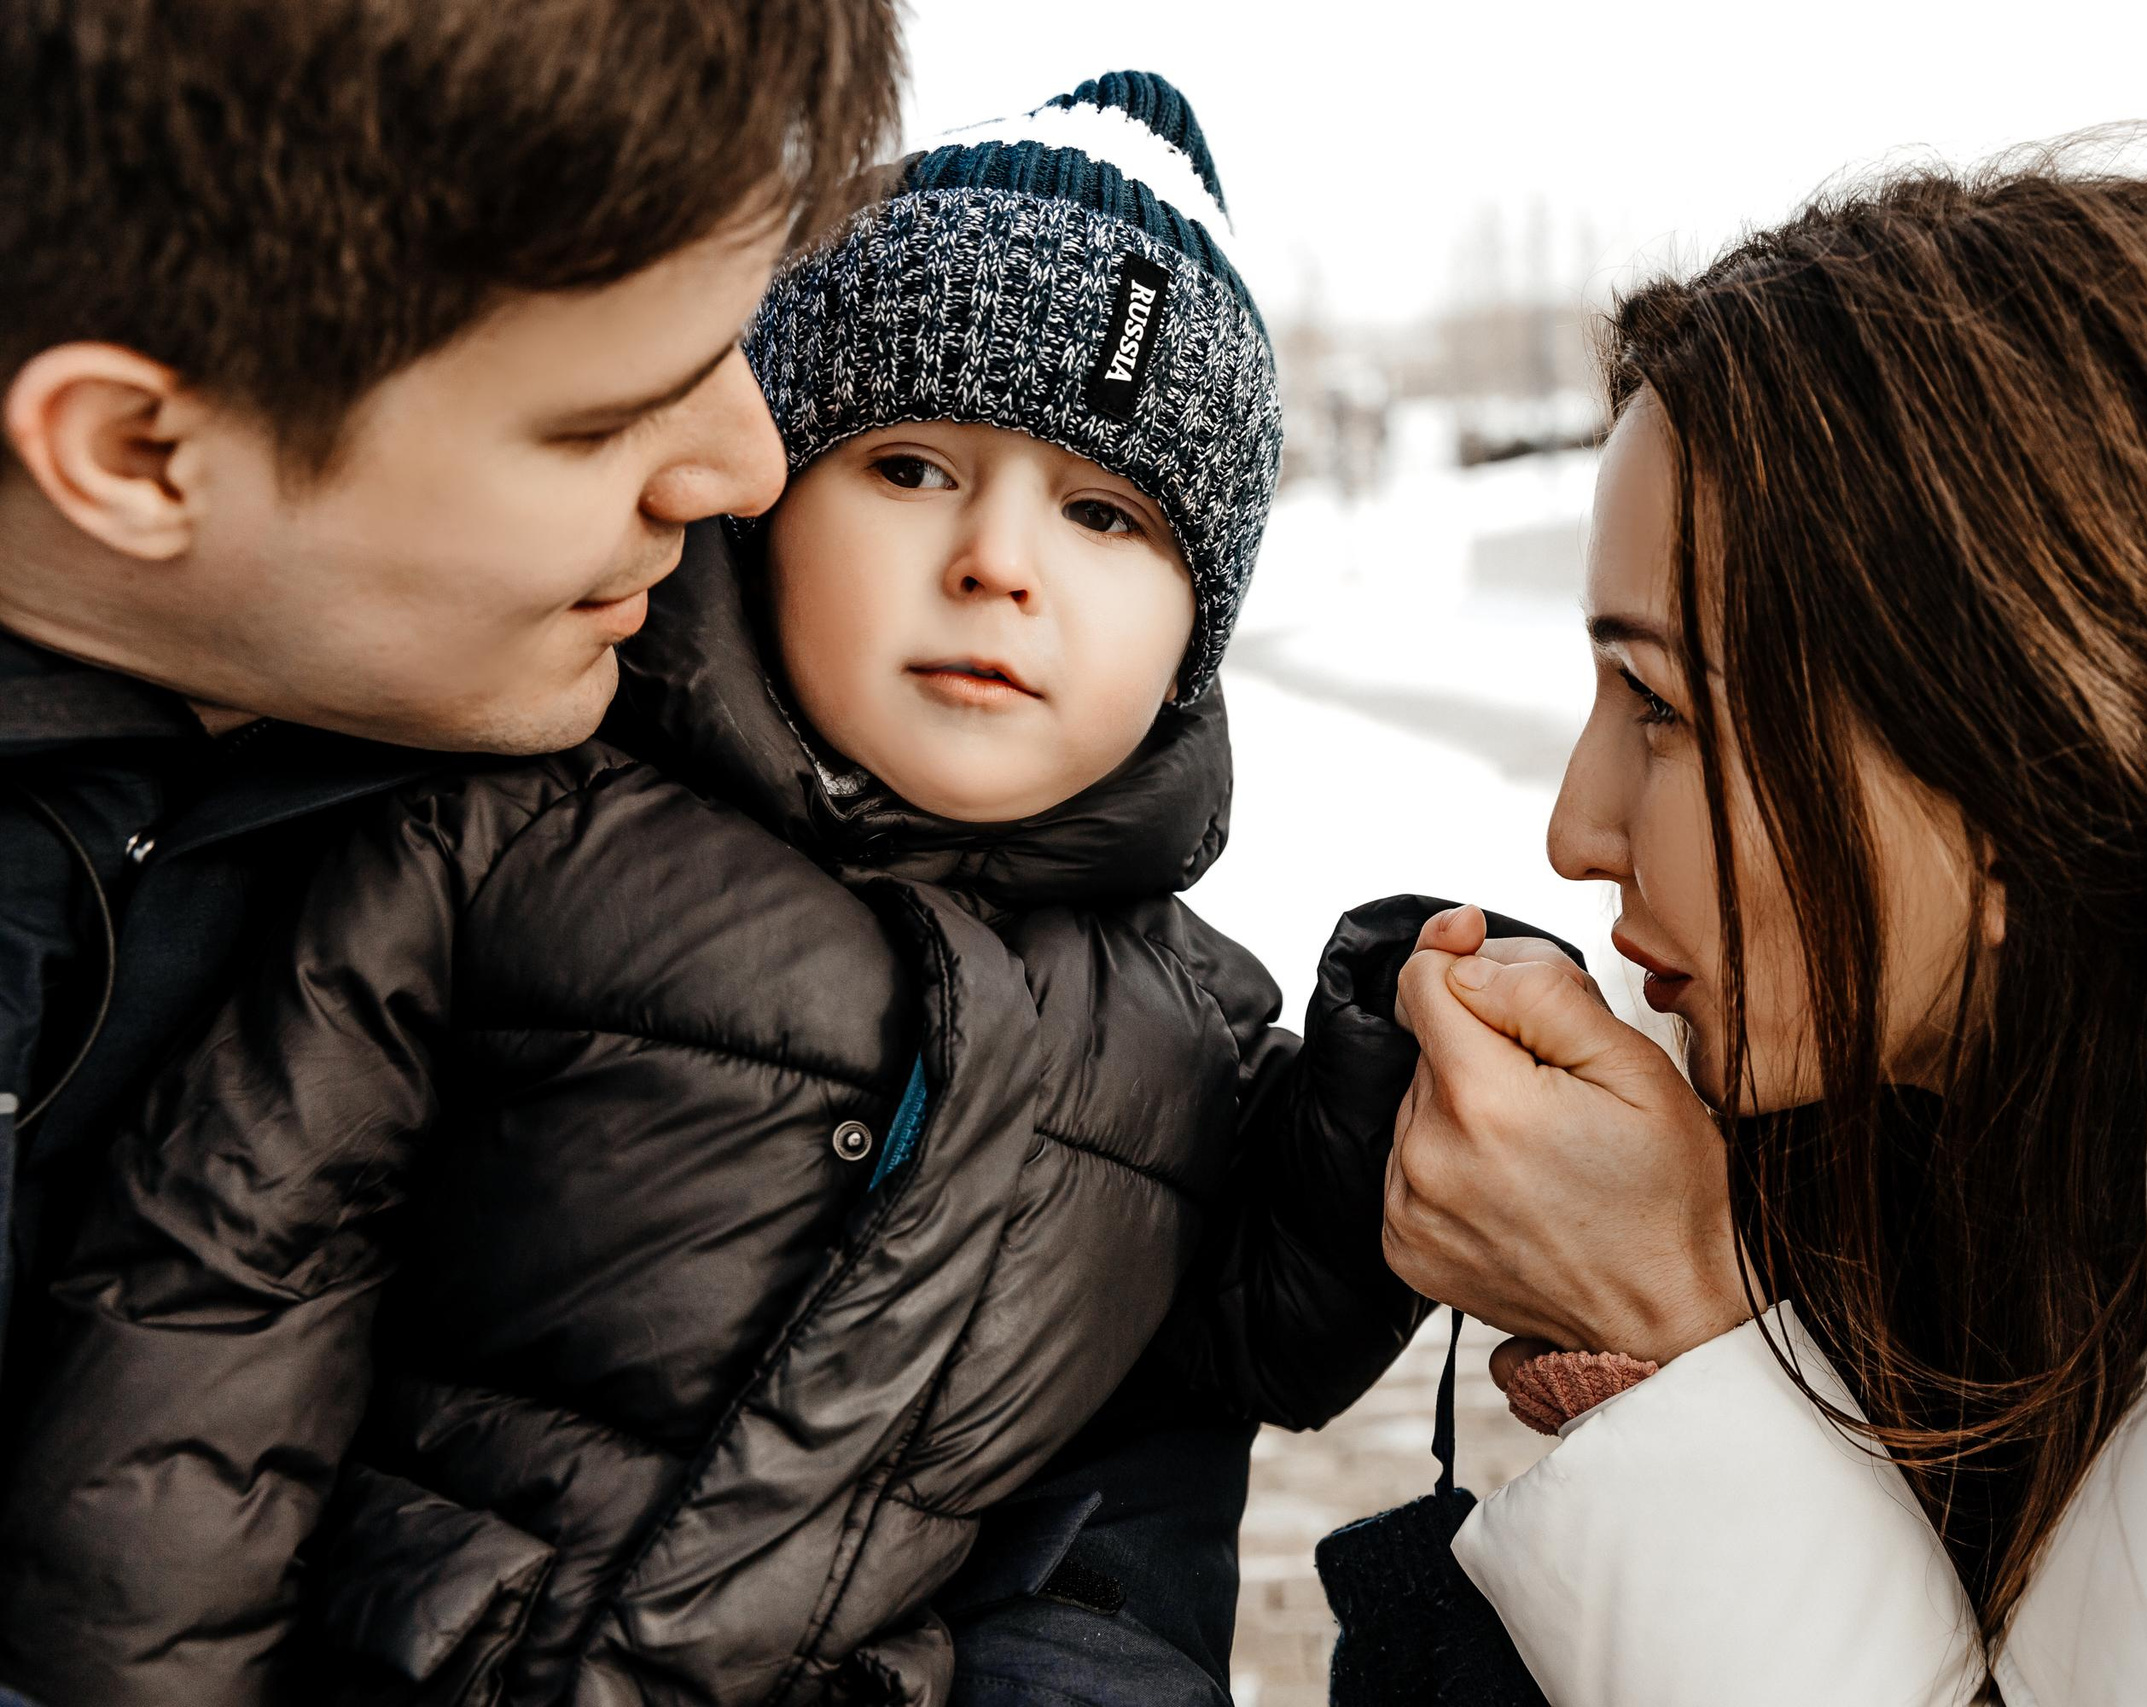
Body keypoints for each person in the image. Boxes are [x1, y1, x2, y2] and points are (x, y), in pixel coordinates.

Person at [0, 73, 1478, 1707]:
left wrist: (1390, 1071)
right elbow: (226, 1279)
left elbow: (1246, 1361)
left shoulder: (1196, 1034)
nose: (999, 559)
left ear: (1192, 648)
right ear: (770, 503)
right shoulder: (512, 836)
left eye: (1105, 513)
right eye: (910, 466)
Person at [1381, 153, 2147, 1704]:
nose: (1576, 832)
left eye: (1661, 705)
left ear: (2013, 752)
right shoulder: (2100, 1085)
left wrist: (1673, 1321)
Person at [0, 0, 902, 1480]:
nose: (750, 470)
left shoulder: (729, 729)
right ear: (138, 452)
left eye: (738, 341)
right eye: (603, 421)